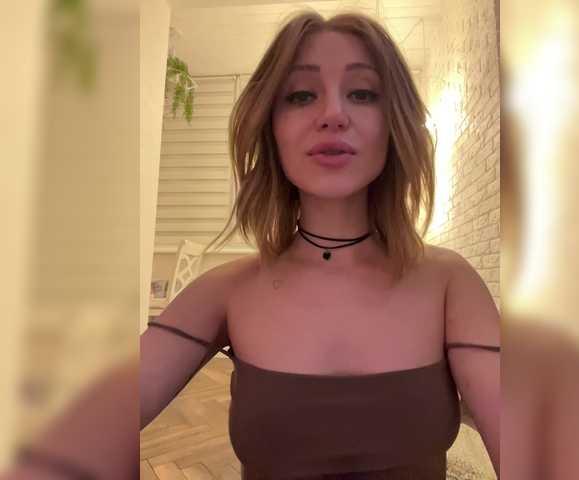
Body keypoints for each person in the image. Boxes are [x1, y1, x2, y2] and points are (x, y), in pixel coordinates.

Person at [141, 10, 500, 479]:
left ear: (396, 124)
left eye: (363, 93)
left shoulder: (450, 283)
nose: (332, 115)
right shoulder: (224, 291)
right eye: (301, 95)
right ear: (271, 127)